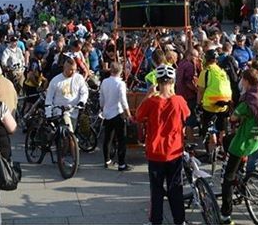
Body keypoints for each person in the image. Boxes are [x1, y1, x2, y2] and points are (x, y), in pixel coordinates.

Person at [135, 64, 190, 225]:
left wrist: (148, 95)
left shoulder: (151, 102)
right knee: (176, 188)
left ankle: (156, 221)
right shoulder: (179, 101)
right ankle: (179, 220)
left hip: (155, 151)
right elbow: (187, 115)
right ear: (172, 82)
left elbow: (138, 116)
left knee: (157, 190)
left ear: (157, 82)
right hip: (174, 150)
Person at [220, 68, 258, 225]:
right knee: (228, 140)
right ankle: (242, 171)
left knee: (227, 179)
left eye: (242, 80)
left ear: (246, 81)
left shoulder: (248, 101)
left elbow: (233, 117)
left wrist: (235, 116)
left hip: (242, 143)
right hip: (255, 140)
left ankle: (226, 214)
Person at [197, 49, 233, 151]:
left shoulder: (206, 71)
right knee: (222, 127)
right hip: (225, 102)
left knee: (209, 127)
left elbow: (200, 90)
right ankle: (222, 148)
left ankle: (212, 148)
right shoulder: (222, 71)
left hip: (211, 104)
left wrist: (198, 104)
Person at [99, 61, 131, 171]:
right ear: (120, 71)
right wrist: (128, 113)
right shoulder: (120, 83)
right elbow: (123, 100)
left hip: (107, 113)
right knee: (121, 139)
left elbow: (101, 98)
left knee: (108, 138)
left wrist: (102, 107)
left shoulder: (104, 82)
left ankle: (107, 160)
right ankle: (121, 164)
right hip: (118, 113)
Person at [45, 53, 88, 131]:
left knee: (78, 129)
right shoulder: (56, 81)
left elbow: (84, 92)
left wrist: (82, 101)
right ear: (65, 68)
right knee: (69, 132)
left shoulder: (79, 78)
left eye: (75, 69)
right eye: (71, 70)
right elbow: (49, 98)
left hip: (74, 110)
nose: (73, 72)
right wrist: (48, 114)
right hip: (60, 112)